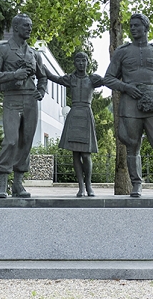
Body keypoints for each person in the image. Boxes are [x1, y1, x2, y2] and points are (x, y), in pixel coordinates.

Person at [103, 13, 153, 198]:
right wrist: (126, 87)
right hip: (129, 105)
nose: (132, 28)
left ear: (146, 27)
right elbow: (108, 78)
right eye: (131, 25)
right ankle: (136, 184)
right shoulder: (122, 52)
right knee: (132, 146)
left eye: (137, 25)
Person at [0, 13, 47, 198]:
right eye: (26, 25)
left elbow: (43, 76)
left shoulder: (34, 53)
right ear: (15, 28)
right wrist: (14, 75)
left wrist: (41, 90)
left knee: (26, 142)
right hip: (11, 98)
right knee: (11, 140)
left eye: (30, 25)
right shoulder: (2, 49)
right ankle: (2, 184)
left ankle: (18, 185)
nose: (29, 28)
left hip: (30, 99)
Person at [46, 52, 103, 197]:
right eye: (78, 61)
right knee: (76, 153)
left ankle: (89, 186)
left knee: (86, 153)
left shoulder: (92, 79)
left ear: (87, 63)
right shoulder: (70, 79)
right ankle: (81, 187)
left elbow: (109, 80)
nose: (81, 64)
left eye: (84, 61)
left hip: (86, 114)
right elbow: (54, 78)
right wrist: (42, 68)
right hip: (74, 114)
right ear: (74, 63)